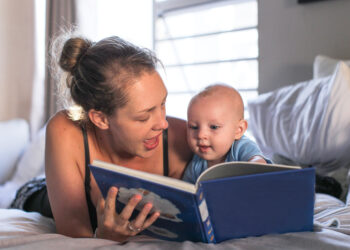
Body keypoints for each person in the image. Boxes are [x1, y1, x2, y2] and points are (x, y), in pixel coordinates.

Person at [11, 35, 192, 242]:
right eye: (144, 117)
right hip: (39, 196)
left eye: (163, 104)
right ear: (101, 119)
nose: (163, 123)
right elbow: (75, 234)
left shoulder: (182, 137)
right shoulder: (65, 129)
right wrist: (104, 238)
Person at [182, 84, 270, 184]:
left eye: (214, 127)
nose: (201, 135)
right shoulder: (196, 164)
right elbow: (186, 188)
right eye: (194, 127)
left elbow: (258, 164)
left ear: (238, 130)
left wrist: (254, 167)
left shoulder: (240, 147)